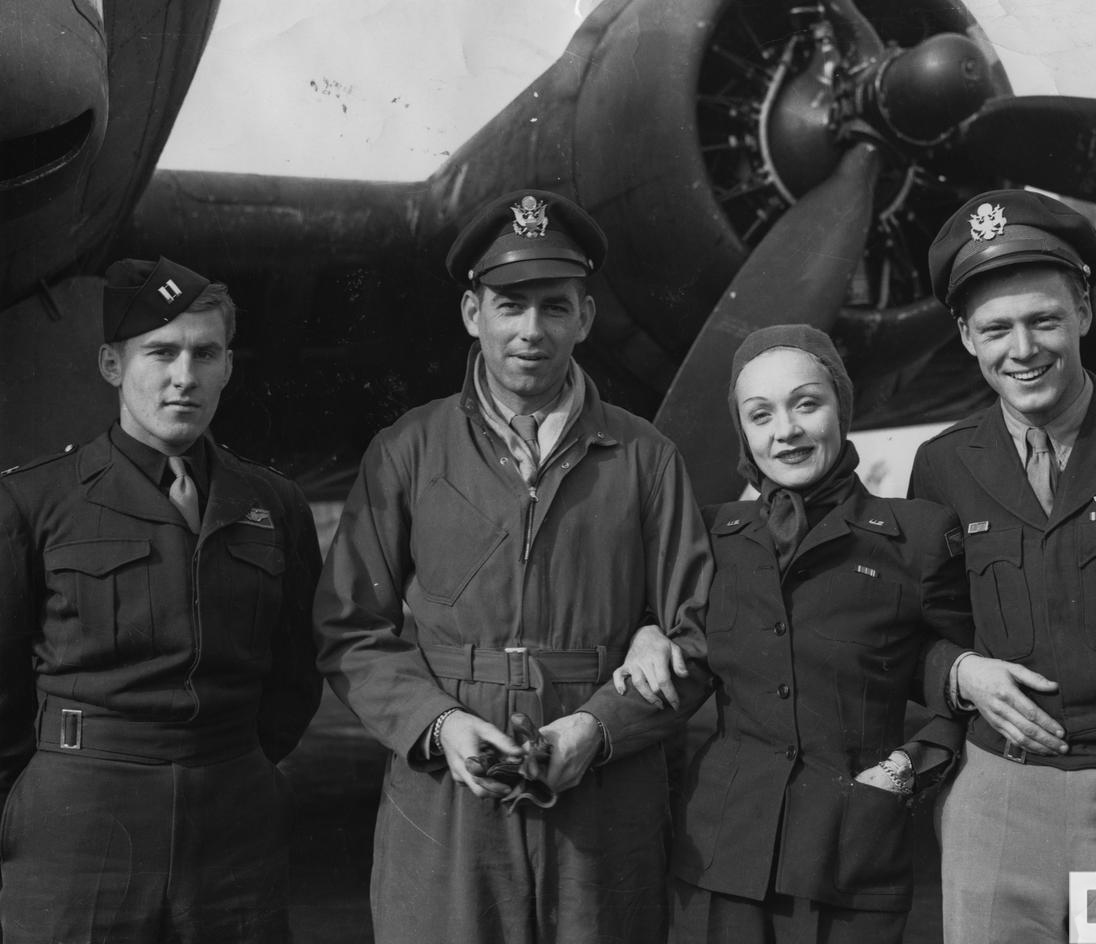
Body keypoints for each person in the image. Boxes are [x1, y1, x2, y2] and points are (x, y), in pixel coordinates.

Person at [312, 189, 713, 944]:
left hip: (603, 800)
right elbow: (349, 628)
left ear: (585, 318)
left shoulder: (647, 458)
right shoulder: (407, 450)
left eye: (554, 307)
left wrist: (599, 727)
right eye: (510, 305)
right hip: (448, 795)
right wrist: (439, 724)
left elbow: (699, 635)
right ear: (473, 313)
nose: (532, 330)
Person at [615, 325, 973, 944]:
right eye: (761, 415)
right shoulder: (711, 537)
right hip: (720, 859)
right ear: (744, 432)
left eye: (807, 404)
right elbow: (677, 637)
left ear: (841, 407)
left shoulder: (916, 538)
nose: (786, 431)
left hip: (850, 857)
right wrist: (647, 629)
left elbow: (967, 680)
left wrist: (911, 765)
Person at [0, 257, 323, 942]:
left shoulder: (274, 503)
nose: (185, 376)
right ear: (112, 364)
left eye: (205, 353)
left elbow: (297, 670)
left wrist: (240, 760)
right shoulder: (34, 502)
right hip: (79, 816)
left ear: (228, 367)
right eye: (161, 352)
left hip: (234, 816)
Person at [911, 189, 1096, 943]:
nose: (1023, 350)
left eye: (1043, 320)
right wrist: (959, 673)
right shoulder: (943, 465)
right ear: (966, 337)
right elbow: (915, 630)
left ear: (1084, 313)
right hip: (1000, 794)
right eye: (996, 328)